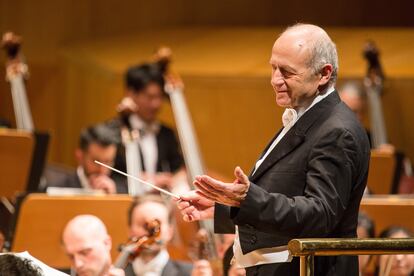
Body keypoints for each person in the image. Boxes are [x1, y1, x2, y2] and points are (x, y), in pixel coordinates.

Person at [177, 23, 371, 276]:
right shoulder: (308, 117)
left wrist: (247, 199)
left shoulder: (336, 131)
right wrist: (225, 207)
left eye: (287, 72)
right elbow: (287, 195)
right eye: (273, 68)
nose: (275, 80)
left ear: (324, 74)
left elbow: (320, 214)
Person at [105, 63, 184, 191]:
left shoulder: (167, 133)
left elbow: (177, 169)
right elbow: (107, 175)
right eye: (150, 97)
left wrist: (173, 180)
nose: (156, 104)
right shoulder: (112, 132)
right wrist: (143, 181)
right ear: (130, 93)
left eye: (159, 97)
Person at [124, 194, 212, 276]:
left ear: (170, 232)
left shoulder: (191, 273)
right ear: (130, 230)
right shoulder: (117, 272)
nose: (151, 232)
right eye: (143, 224)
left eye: (157, 225)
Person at [47, 124, 127, 194]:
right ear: (80, 157)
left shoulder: (123, 192)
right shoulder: (58, 189)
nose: (102, 170)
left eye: (108, 162)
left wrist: (113, 200)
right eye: (96, 161)